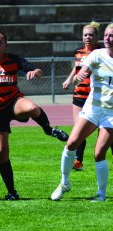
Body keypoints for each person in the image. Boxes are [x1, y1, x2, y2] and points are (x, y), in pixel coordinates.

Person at [0, 28, 69, 200]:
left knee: (32, 108)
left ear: (5, 44)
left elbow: (38, 70)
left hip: (14, 102)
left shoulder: (14, 59)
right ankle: (12, 192)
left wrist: (34, 72)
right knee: (2, 153)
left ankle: (49, 130)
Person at [51, 23, 113, 202]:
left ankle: (101, 194)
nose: (109, 39)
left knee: (99, 153)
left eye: (112, 35)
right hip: (93, 108)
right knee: (71, 143)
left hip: (111, 113)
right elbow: (82, 72)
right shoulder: (96, 54)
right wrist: (78, 77)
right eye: (107, 35)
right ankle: (64, 183)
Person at [62, 21, 102, 171]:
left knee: (104, 130)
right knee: (78, 129)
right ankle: (78, 161)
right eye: (85, 35)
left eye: (91, 35)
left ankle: (103, 156)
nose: (88, 37)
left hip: (96, 97)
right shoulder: (78, 52)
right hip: (79, 96)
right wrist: (69, 79)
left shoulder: (101, 53)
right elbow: (76, 68)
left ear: (96, 37)